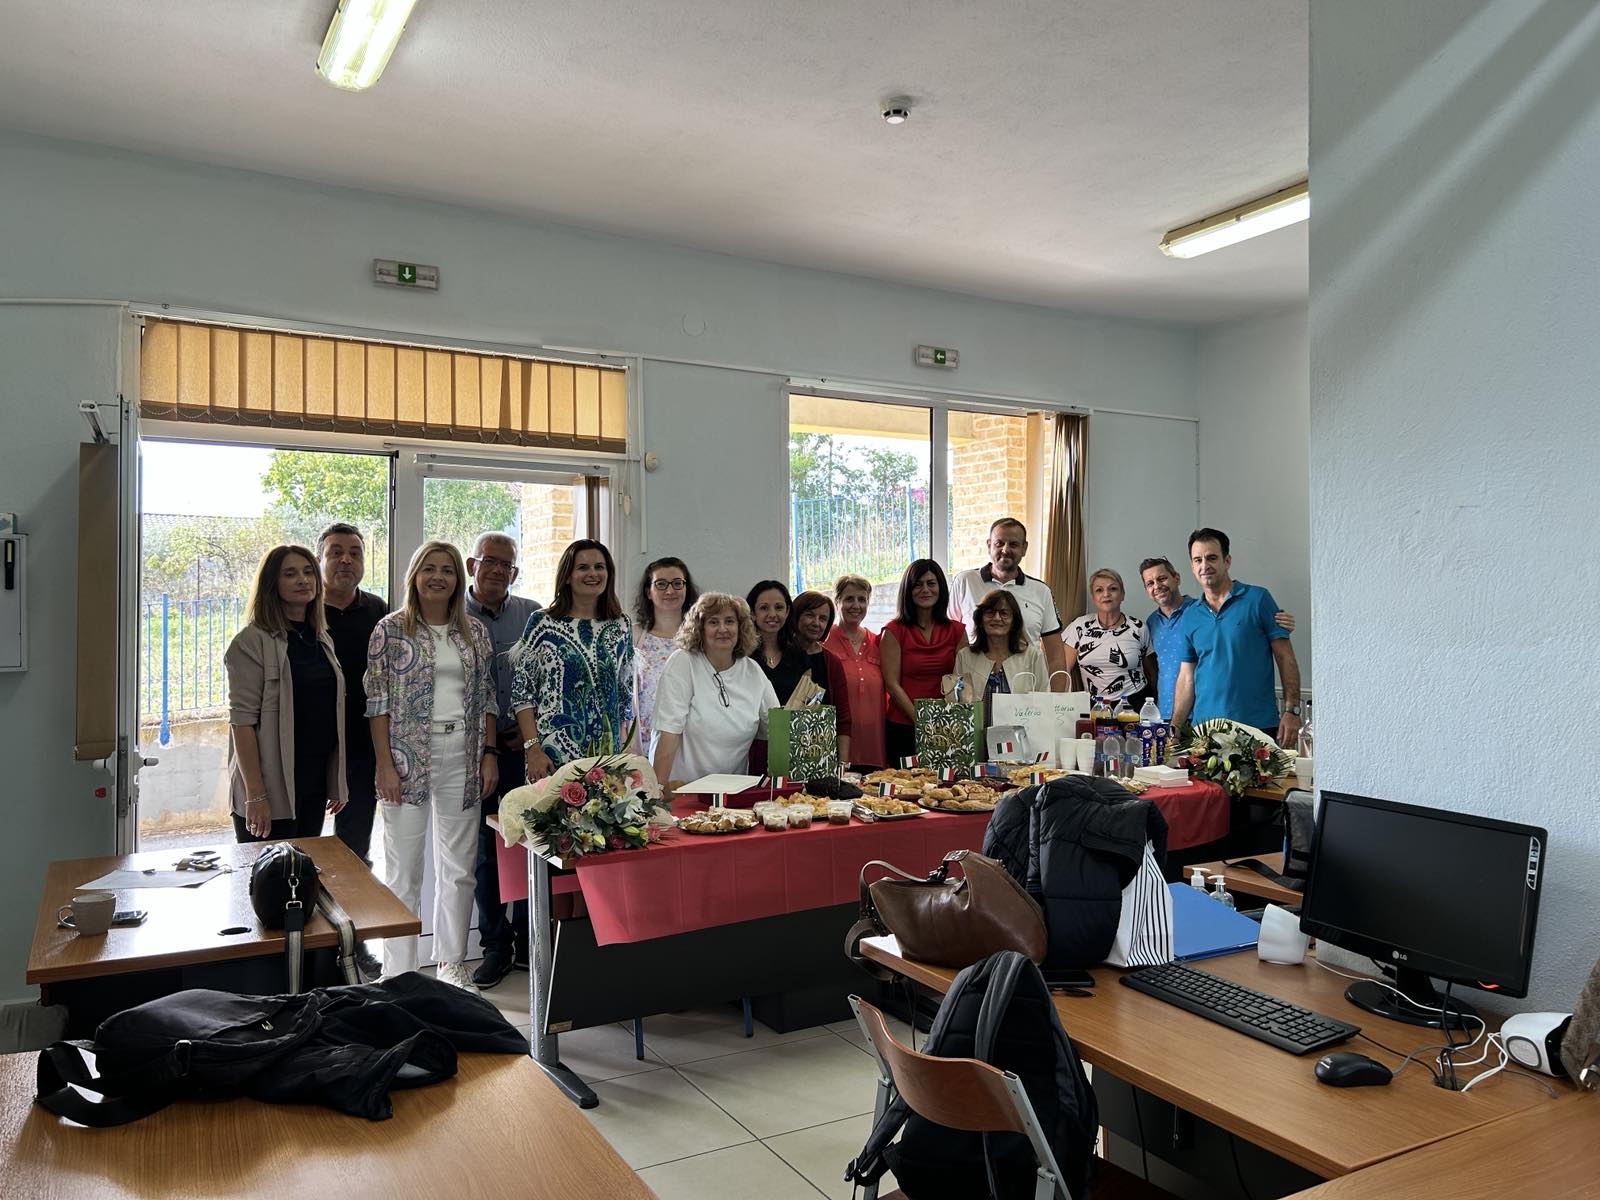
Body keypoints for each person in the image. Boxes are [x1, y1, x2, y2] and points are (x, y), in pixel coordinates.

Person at [365, 541, 497, 992]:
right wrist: (384, 764)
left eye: (447, 570)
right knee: (403, 870)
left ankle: (452, 964)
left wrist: (489, 754)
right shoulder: (389, 630)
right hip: (406, 759)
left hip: (464, 755)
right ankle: (399, 972)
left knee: (459, 869)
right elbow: (376, 702)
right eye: (429, 569)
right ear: (415, 576)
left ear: (459, 579)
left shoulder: (474, 632)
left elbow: (487, 698)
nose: (438, 577)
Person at [225, 545, 348, 842]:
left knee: (303, 867)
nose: (303, 580)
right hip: (270, 790)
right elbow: (241, 724)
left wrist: (336, 781)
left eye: (308, 572)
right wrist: (256, 796)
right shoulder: (250, 642)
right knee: (269, 871)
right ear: (272, 584)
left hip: (313, 782)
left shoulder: (321, 638)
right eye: (290, 574)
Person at [463, 532, 541, 990]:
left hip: (526, 749)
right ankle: (496, 945)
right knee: (485, 853)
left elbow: (545, 679)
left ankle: (529, 939)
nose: (497, 570)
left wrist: (531, 736)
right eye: (488, 561)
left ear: (515, 572)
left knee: (531, 844)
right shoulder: (454, 614)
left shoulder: (532, 615)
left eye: (506, 564)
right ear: (471, 565)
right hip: (474, 755)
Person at [511, 540, 635, 780]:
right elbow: (522, 692)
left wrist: (623, 749)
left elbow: (623, 694)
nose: (593, 573)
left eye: (599, 567)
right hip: (550, 756)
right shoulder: (542, 623)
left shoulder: (621, 624)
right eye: (583, 567)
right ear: (567, 576)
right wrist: (533, 750)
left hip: (606, 755)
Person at [1170, 528, 1304, 747]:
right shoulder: (1190, 615)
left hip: (1257, 727)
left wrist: (1292, 710)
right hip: (1205, 732)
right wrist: (1175, 728)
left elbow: (1285, 657)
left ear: (1227, 561)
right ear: (1192, 566)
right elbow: (1186, 677)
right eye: (1198, 560)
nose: (1205, 565)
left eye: (1212, 558)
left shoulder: (1258, 599)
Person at [1140, 556, 1295, 720]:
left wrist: (1277, 624)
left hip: (1202, 712)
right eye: (1150, 583)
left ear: (1176, 578)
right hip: (1165, 713)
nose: (1157, 586)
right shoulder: (1151, 623)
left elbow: (1238, 628)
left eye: (1162, 578)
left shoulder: (1200, 612)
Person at [650, 593, 779, 788]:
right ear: (699, 629)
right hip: (682, 788)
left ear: (740, 627)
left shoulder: (753, 671)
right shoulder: (683, 662)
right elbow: (668, 731)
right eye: (713, 622)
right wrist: (657, 791)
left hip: (732, 793)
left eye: (730, 621)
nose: (723, 629)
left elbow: (777, 727)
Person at [317, 523, 390, 866]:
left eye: (355, 553)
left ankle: (351, 904)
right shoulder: (303, 609)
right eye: (336, 552)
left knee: (354, 853)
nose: (346, 560)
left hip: (362, 748)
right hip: (311, 747)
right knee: (299, 845)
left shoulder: (379, 612)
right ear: (319, 560)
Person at [948, 518, 1069, 691]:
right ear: (989, 545)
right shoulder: (964, 582)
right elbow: (950, 637)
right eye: (999, 543)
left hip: (1026, 690)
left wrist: (1055, 702)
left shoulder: (1041, 591)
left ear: (1024, 548)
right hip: (974, 687)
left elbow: (1056, 657)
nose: (1005, 550)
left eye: (1013, 544)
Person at [880, 559, 967, 763]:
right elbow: (892, 685)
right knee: (903, 783)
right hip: (903, 727)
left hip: (947, 725)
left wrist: (947, 719)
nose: (925, 590)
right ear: (907, 590)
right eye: (917, 584)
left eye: (931, 583)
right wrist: (922, 721)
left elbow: (961, 680)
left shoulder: (957, 631)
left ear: (941, 588)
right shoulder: (893, 631)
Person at [952, 590, 1050, 726]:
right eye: (990, 612)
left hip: (1022, 738)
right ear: (980, 620)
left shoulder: (1033, 657)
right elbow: (956, 707)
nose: (997, 618)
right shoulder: (964, 657)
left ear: (1014, 621)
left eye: (1004, 613)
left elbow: (1044, 704)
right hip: (975, 738)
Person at [1062, 568, 1157, 708]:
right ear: (1093, 597)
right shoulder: (1079, 626)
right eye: (1099, 590)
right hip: (1094, 705)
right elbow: (1063, 670)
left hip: (1135, 703)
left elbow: (1152, 673)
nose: (1106, 594)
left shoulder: (1139, 628)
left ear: (1122, 594)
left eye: (1113, 589)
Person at [632, 556, 699, 753]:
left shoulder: (701, 639)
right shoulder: (632, 636)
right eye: (661, 584)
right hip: (642, 746)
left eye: (677, 583)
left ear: (686, 589)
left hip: (690, 748)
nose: (670, 591)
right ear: (648, 592)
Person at [824, 574, 886, 767]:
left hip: (875, 744)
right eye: (849, 599)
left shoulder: (878, 642)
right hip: (839, 744)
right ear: (837, 601)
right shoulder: (824, 642)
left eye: (862, 599)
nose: (856, 605)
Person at [787, 589, 854, 765]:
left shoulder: (832, 663)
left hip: (821, 756)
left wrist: (843, 764)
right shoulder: (781, 656)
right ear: (795, 616)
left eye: (823, 618)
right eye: (810, 615)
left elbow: (843, 718)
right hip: (782, 751)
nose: (816, 623)